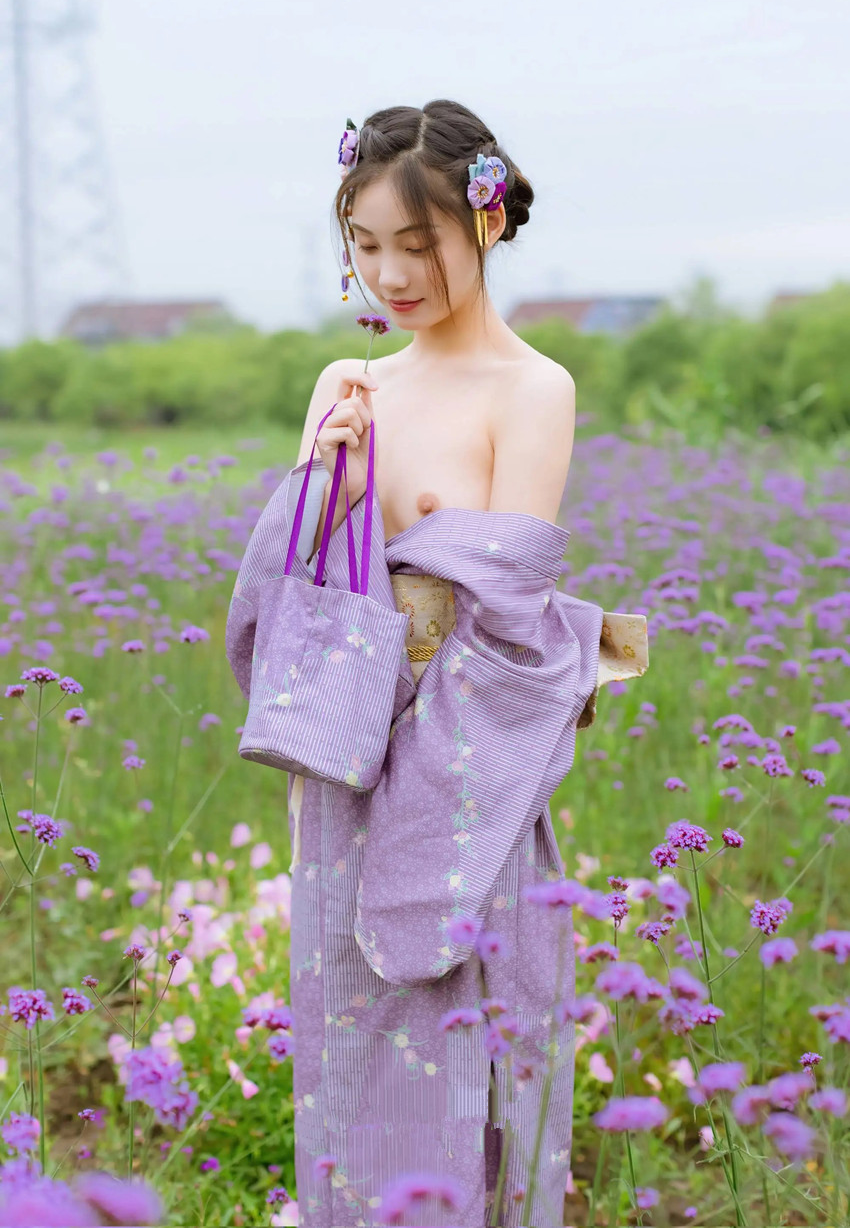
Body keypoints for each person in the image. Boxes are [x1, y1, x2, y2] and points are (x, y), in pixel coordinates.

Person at [227, 99, 649, 1227]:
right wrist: (328, 497)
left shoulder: (533, 389)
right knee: (353, 1054)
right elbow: (294, 612)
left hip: (471, 777)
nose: (390, 274)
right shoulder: (347, 385)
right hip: (347, 767)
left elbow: (508, 626)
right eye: (366, 244)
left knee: (479, 1039)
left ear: (488, 219)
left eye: (418, 244)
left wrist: (424, 798)